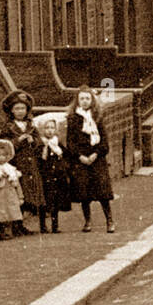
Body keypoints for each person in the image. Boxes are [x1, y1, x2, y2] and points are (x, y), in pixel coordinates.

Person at [65, 87, 115, 234]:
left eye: (87, 98)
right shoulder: (73, 119)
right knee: (84, 192)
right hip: (81, 159)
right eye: (82, 99)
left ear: (92, 101)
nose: (85, 101)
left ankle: (109, 220)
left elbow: (104, 142)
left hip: (97, 158)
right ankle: (87, 221)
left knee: (103, 192)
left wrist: (96, 154)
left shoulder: (97, 117)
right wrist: (80, 156)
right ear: (77, 101)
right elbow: (70, 142)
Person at [0, 90, 44, 235]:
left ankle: (27, 223)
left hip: (32, 166)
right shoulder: (8, 127)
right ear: (11, 110)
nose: (20, 111)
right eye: (17, 108)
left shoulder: (31, 126)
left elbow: (40, 144)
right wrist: (17, 141)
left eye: (23, 108)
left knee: (32, 195)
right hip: (17, 166)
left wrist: (33, 141)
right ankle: (16, 225)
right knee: (18, 194)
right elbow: (3, 146)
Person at [35, 115, 72, 233]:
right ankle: (43, 225)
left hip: (57, 175)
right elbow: (38, 159)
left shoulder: (57, 144)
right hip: (45, 176)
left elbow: (65, 155)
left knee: (56, 201)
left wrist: (64, 168)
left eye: (52, 128)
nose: (50, 130)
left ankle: (55, 225)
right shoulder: (41, 144)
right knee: (44, 201)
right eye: (47, 128)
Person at [0, 138, 24, 241]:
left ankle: (12, 230)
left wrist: (20, 196)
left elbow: (17, 184)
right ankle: (0, 232)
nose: (1, 158)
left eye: (4, 155)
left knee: (11, 211)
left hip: (10, 193)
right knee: (0, 213)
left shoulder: (11, 169)